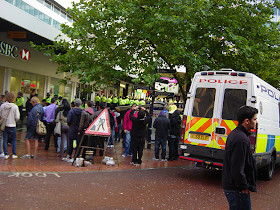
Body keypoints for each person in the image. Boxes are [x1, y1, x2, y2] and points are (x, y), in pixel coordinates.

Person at [222, 106, 258, 210]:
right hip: (237, 189)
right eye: (254, 119)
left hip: (234, 187)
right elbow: (237, 168)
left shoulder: (236, 134)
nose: (256, 122)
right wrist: (244, 188)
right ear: (247, 121)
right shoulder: (241, 139)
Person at [0, 92, 20, 159]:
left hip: (4, 125)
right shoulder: (15, 106)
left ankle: (5, 154)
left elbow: (0, 115)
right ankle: (14, 154)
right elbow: (17, 117)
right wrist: (14, 120)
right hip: (12, 125)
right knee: (14, 139)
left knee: (5, 139)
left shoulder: (2, 106)